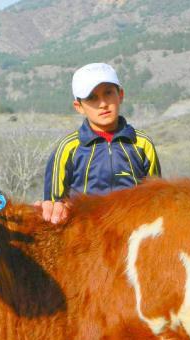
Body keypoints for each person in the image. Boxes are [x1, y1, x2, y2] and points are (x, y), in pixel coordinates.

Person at [40, 62, 161, 224]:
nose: (103, 104)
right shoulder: (68, 148)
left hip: (132, 232)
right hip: (86, 235)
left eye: (108, 93)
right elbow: (54, 205)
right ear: (79, 107)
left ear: (121, 95)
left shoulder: (142, 144)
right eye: (92, 98)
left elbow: (157, 197)